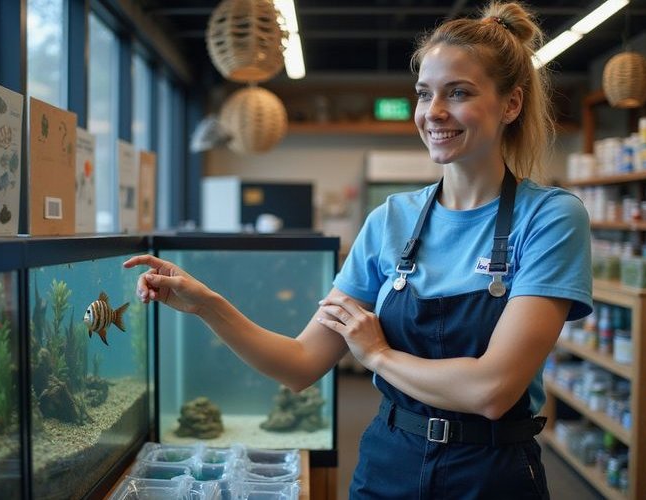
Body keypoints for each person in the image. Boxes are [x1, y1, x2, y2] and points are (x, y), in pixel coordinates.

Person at [123, 2, 592, 498]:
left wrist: (378, 356)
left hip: (493, 473)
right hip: (390, 464)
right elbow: (301, 363)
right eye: (424, 93)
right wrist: (207, 305)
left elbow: (494, 391)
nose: (433, 112)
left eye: (459, 93)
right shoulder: (390, 221)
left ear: (511, 105)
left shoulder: (550, 218)